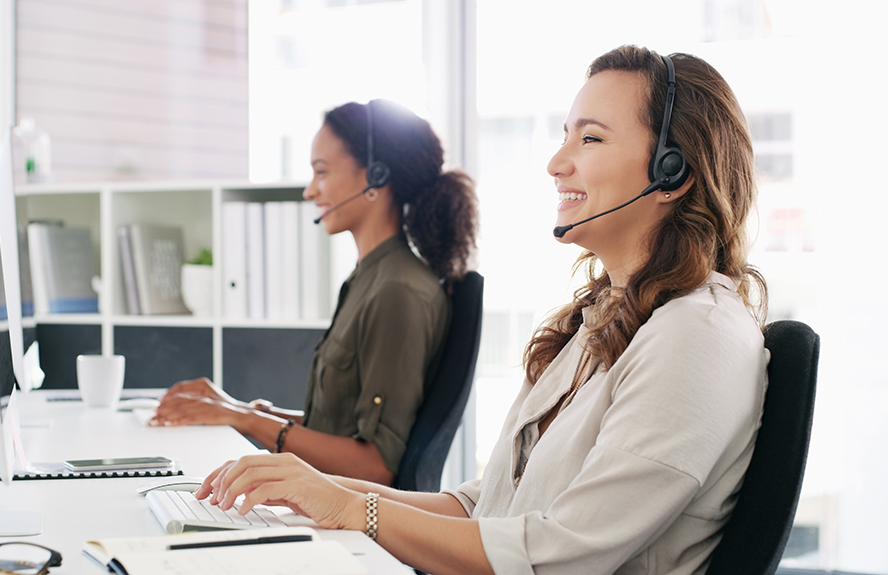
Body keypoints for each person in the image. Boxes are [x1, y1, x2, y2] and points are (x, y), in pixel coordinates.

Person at [192, 45, 769, 575]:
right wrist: (315, 491)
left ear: (673, 172)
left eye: (589, 139)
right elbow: (484, 506)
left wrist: (352, 507)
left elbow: (557, 556)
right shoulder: (604, 319)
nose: (556, 163)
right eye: (566, 135)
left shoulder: (697, 334)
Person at [151, 99, 479, 486]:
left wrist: (246, 419)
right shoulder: (369, 278)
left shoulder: (398, 292)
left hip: (352, 527)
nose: (310, 191)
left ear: (375, 178)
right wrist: (231, 407)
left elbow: (375, 466)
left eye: (321, 172)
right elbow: (337, 428)